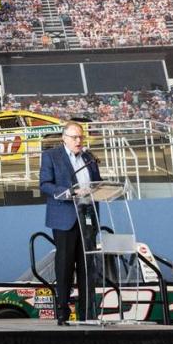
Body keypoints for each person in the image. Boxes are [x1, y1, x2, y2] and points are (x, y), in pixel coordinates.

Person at [39, 121, 102, 325]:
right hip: (64, 217)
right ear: (64, 138)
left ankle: (87, 314)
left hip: (87, 218)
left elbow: (97, 183)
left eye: (81, 137)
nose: (78, 141)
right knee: (64, 268)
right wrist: (70, 192)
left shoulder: (88, 157)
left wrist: (100, 188)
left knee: (87, 267)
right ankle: (63, 313)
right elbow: (45, 185)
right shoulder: (51, 156)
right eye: (74, 137)